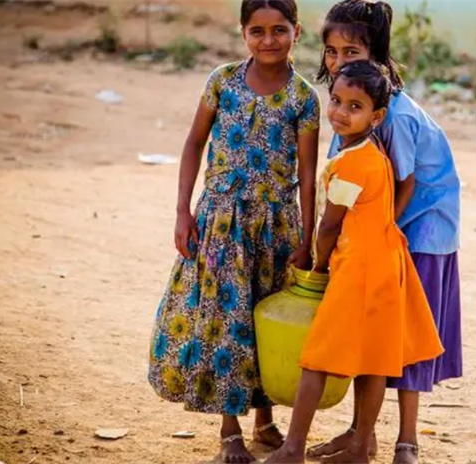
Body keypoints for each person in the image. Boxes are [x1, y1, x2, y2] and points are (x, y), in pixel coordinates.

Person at [147, 1, 320, 462]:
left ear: (297, 32)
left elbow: (307, 171)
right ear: (243, 33)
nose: (269, 40)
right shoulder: (222, 81)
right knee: (227, 323)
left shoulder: (304, 97)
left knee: (265, 320)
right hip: (221, 223)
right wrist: (183, 212)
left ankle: (265, 423)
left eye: (279, 30)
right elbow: (193, 143)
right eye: (257, 31)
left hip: (277, 228)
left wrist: (307, 239)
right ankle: (229, 431)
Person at [306, 1, 463, 463]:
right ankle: (362, 436)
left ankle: (407, 441)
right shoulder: (352, 100)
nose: (339, 62)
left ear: (376, 52)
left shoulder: (394, 114)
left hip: (421, 230)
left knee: (405, 338)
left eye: (351, 50)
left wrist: (381, 236)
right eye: (331, 52)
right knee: (372, 333)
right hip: (385, 232)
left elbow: (407, 182)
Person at [265, 60, 443, 464]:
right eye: (337, 101)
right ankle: (360, 448)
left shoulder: (350, 164)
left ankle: (292, 448)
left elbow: (329, 226)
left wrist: (318, 263)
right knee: (375, 361)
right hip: (386, 265)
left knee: (316, 359)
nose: (341, 113)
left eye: (355, 106)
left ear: (377, 116)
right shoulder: (374, 151)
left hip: (359, 270)